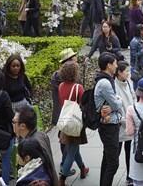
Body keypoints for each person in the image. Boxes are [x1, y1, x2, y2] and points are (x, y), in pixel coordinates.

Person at [94, 52, 123, 186]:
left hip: (109, 124)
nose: (117, 66)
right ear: (109, 65)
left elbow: (114, 104)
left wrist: (114, 104)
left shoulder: (106, 80)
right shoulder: (105, 83)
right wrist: (117, 102)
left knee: (107, 159)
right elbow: (116, 104)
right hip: (109, 126)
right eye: (115, 63)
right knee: (113, 164)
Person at [58, 61, 89, 186]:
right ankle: (62, 179)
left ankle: (82, 169)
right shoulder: (78, 87)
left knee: (74, 148)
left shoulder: (60, 86)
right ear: (75, 73)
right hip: (75, 122)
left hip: (65, 121)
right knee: (71, 151)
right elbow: (83, 104)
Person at [13, 105, 59, 186]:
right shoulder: (41, 135)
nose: (12, 124)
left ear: (23, 126)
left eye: (14, 122)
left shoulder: (31, 145)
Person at [115, 60, 136, 186]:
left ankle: (130, 176)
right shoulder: (113, 85)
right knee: (115, 154)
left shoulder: (128, 82)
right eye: (126, 71)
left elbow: (133, 97)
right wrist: (124, 120)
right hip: (120, 124)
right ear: (119, 72)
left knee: (130, 152)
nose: (128, 74)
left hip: (130, 121)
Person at [0, 71, 14, 186]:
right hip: (5, 132)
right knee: (6, 160)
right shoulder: (4, 95)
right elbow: (10, 115)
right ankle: (5, 183)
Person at [50, 48, 78, 126]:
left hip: (60, 116)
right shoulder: (70, 79)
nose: (77, 64)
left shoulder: (56, 76)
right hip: (70, 116)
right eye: (75, 62)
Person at [130, 23, 143, 90]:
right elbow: (133, 55)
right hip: (137, 68)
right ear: (140, 31)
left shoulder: (142, 39)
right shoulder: (134, 42)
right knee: (137, 87)